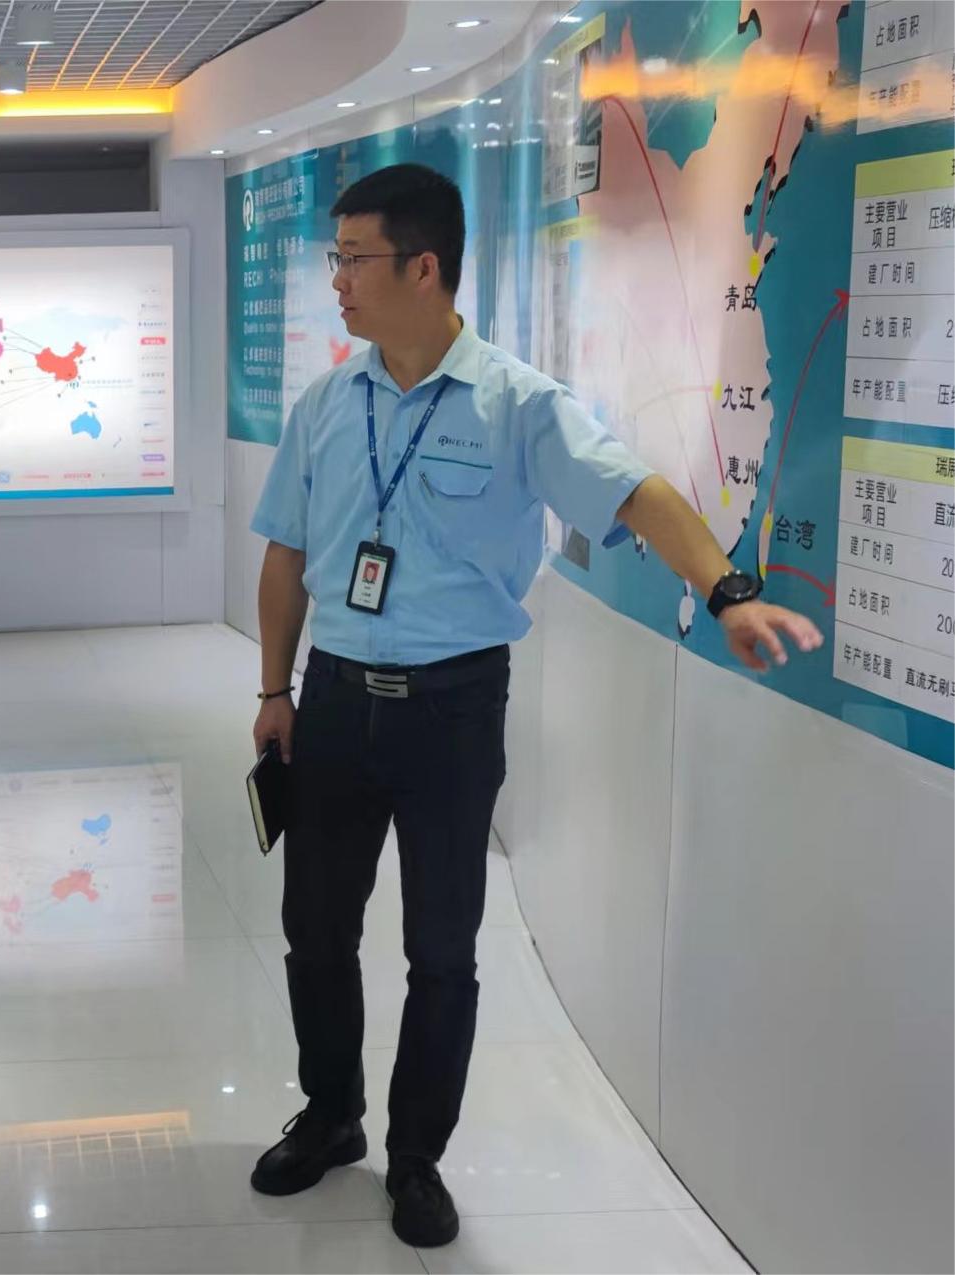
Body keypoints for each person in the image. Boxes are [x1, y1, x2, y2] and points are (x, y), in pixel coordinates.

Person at [246, 163, 820, 1249]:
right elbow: (285, 552)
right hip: (332, 702)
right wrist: (275, 689)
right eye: (337, 259)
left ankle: (416, 1158)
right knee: (313, 930)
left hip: (452, 710)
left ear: (424, 267)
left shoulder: (518, 405)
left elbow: (642, 495)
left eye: (354, 259)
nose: (338, 281)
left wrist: (728, 593)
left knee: (442, 948)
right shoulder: (326, 405)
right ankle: (330, 1115)